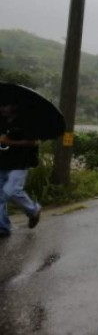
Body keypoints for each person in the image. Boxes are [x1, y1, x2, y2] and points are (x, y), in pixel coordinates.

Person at [0, 100, 42, 237]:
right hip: (2, 162)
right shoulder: (2, 120)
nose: (3, 108)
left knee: (10, 191)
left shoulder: (26, 122)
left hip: (19, 164)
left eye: (6, 105)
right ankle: (3, 228)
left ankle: (33, 210)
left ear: (15, 106)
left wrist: (9, 141)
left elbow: (33, 142)